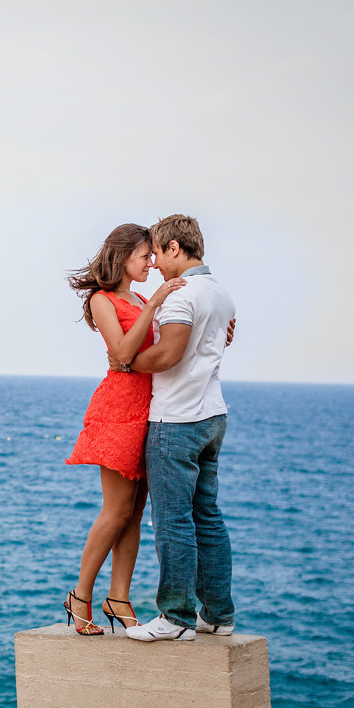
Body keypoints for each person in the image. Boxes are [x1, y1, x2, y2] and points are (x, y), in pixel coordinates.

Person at [109, 214, 237, 643]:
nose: (157, 265)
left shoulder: (183, 295)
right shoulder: (220, 293)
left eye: (158, 253)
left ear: (175, 249)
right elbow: (214, 341)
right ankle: (217, 616)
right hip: (212, 417)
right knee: (208, 517)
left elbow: (166, 357)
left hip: (177, 421)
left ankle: (176, 618)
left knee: (173, 522)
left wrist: (126, 362)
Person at [62, 223, 186, 635]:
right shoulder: (103, 299)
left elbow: (155, 351)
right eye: (144, 255)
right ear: (122, 255)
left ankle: (119, 597)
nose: (151, 262)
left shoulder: (139, 297)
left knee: (133, 515)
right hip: (119, 410)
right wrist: (152, 309)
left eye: (153, 255)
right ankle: (80, 596)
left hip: (150, 409)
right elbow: (122, 353)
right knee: (115, 511)